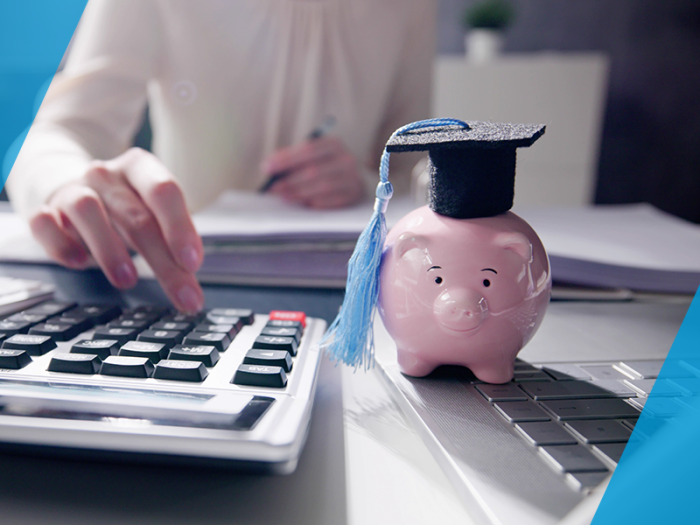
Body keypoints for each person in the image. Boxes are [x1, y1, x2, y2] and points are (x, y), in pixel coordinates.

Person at [6, 0, 436, 312]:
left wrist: (363, 182)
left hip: (355, 299)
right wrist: (64, 181)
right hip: (191, 287)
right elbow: (55, 130)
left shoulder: (408, 8)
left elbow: (410, 165)